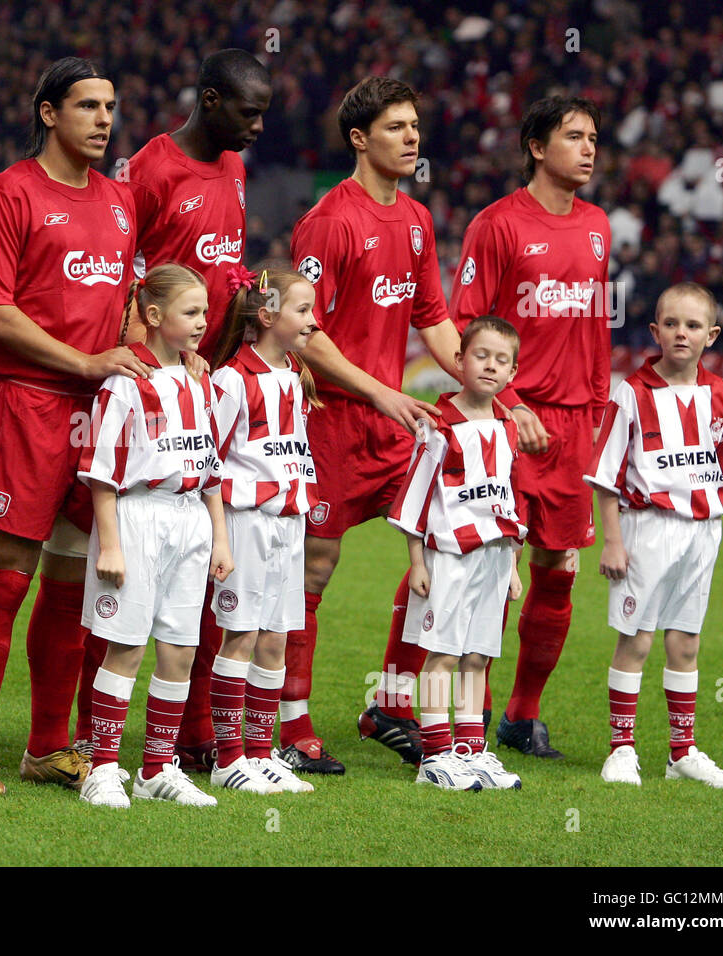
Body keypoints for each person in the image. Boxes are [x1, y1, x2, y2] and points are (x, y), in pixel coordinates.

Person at [0, 57, 150, 796]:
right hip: (29, 403)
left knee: (72, 586)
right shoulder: (7, 193)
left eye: (110, 105)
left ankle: (47, 746)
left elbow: (123, 304)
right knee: (5, 581)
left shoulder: (120, 201)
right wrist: (86, 361)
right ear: (48, 114)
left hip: (97, 416)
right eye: (87, 106)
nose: (103, 119)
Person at [73, 49, 272, 771]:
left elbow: (226, 267)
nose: (256, 127)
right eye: (247, 112)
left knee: (199, 588)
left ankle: (184, 745)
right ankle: (88, 745)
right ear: (210, 99)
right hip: (153, 381)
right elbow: (129, 276)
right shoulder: (150, 170)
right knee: (121, 578)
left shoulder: (237, 169)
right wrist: (152, 365)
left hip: (206, 380)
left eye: (263, 115)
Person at [287, 76, 461, 772]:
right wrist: (378, 391)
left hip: (394, 423)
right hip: (332, 419)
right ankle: (291, 726)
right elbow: (305, 331)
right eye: (395, 126)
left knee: (447, 545)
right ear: (359, 139)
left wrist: (492, 388)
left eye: (414, 125)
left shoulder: (417, 219)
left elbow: (434, 319)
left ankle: (392, 702)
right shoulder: (330, 221)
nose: (411, 136)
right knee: (314, 567)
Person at [446, 95, 611, 759]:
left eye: (594, 137)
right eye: (574, 136)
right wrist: (511, 403)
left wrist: (598, 418)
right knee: (474, 566)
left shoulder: (599, 225)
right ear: (537, 147)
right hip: (510, 422)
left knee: (559, 568)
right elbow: (466, 322)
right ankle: (450, 711)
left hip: (574, 428)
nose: (590, 148)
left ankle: (521, 714)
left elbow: (597, 328)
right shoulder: (498, 224)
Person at [78, 264, 232, 808]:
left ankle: (156, 767)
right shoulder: (124, 383)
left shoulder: (200, 381)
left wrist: (220, 538)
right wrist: (112, 544)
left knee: (181, 650)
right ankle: (100, 768)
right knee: (125, 647)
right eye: (191, 313)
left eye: (206, 313)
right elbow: (100, 471)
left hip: (190, 517)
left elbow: (210, 468)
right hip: (138, 515)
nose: (202, 323)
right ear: (153, 315)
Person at [586, 283, 723, 789]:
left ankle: (681, 752)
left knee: (687, 642)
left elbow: (720, 462)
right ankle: (621, 749)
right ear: (654, 331)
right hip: (647, 530)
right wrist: (612, 539)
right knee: (637, 639)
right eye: (671, 324)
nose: (681, 333)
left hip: (702, 532)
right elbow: (606, 474)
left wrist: (708, 515)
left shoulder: (719, 394)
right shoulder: (630, 392)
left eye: (693, 326)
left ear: (711, 336)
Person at [388, 317, 527, 791]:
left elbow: (506, 500)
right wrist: (417, 561)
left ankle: (470, 749)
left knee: (476, 657)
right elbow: (415, 497)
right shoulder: (439, 425)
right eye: (481, 355)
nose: (490, 366)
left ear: (512, 373)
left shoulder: (508, 427)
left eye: (501, 360)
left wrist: (511, 565)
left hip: (493, 559)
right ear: (459, 361)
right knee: (442, 657)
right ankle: (435, 754)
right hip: (449, 556)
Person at [201, 265, 318, 795]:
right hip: (247, 523)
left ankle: (260, 751)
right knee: (242, 636)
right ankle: (228, 759)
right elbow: (210, 462)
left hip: (288, 527)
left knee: (276, 640)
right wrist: (219, 536)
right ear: (267, 315)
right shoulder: (230, 380)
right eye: (303, 310)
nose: (312, 321)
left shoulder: (294, 376)